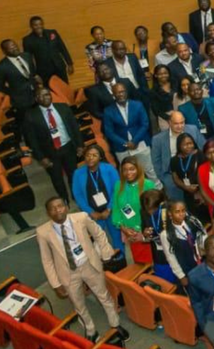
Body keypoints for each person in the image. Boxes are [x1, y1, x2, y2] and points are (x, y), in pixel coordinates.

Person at [37, 196, 126, 343]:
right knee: (78, 304)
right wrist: (55, 284)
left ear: (66, 207)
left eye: (60, 206)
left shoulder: (82, 217)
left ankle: (116, 325)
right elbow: (47, 260)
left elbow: (99, 234)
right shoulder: (42, 232)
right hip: (68, 273)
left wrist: (106, 254)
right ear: (48, 213)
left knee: (104, 296)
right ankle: (90, 330)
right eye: (52, 208)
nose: (57, 210)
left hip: (89, 265)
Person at [21, 87, 79, 203]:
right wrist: (41, 158)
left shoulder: (63, 107)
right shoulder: (31, 115)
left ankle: (76, 195)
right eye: (42, 95)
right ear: (37, 99)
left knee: (73, 174)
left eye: (47, 94)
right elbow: (32, 140)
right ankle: (64, 199)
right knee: (57, 178)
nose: (46, 97)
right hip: (50, 153)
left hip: (68, 147)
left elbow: (74, 128)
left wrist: (80, 145)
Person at [111, 157, 155, 264]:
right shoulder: (118, 185)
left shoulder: (148, 185)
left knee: (152, 262)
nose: (128, 173)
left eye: (132, 169)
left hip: (146, 232)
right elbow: (116, 208)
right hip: (129, 232)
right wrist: (123, 228)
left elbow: (153, 211)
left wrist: (141, 233)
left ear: (138, 169)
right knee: (139, 262)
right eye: (125, 170)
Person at [22, 16, 75, 84]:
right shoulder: (27, 40)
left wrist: (69, 63)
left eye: (40, 24)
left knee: (64, 86)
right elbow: (28, 59)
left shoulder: (52, 33)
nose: (39, 26)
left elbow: (63, 48)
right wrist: (34, 74)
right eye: (36, 25)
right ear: (31, 26)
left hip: (59, 66)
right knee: (50, 90)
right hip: (44, 71)